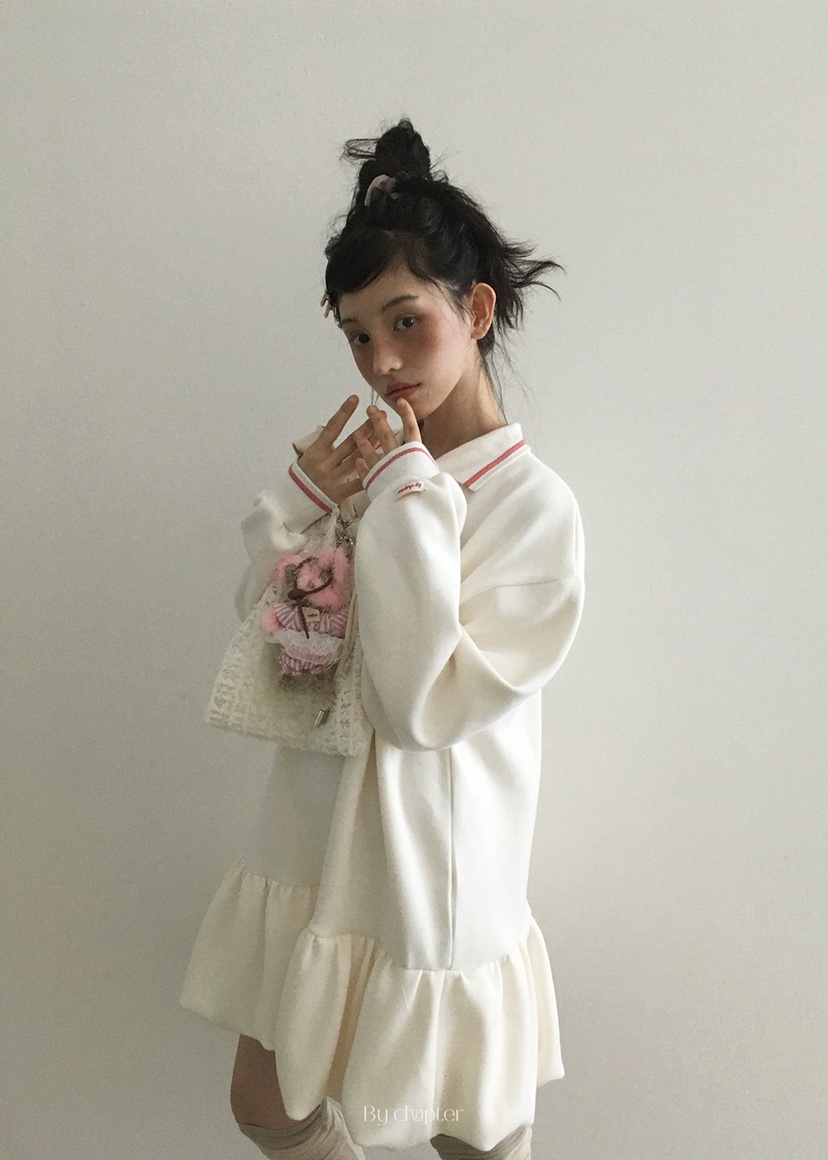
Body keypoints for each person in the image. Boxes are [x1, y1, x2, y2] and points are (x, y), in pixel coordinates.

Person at [180, 118, 585, 1160]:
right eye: (358, 335)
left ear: (475, 310)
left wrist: (403, 492)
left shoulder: (531, 509)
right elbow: (278, 646)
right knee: (269, 1105)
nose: (382, 362)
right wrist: (302, 501)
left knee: (467, 1133)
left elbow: (416, 702)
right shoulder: (380, 476)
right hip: (314, 845)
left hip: (430, 866)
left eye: (407, 322)